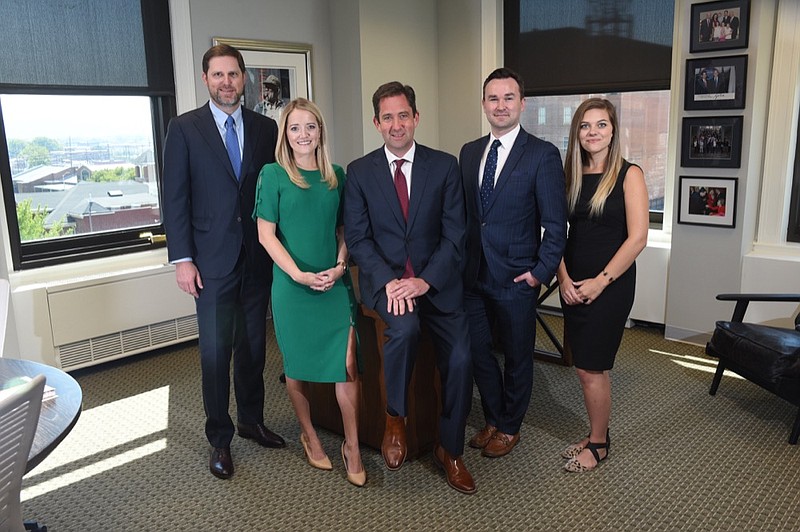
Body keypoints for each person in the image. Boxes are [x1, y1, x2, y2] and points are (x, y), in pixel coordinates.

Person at [343, 81, 475, 495]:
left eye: (404, 116)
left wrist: (423, 280)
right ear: (376, 123)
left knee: (460, 358)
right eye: (388, 118)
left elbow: (456, 235)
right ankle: (395, 418)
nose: (396, 125)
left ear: (416, 118)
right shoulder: (360, 172)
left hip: (435, 283)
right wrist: (390, 281)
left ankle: (450, 449)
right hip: (387, 283)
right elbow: (360, 239)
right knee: (404, 329)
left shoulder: (444, 166)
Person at [162, 44, 286, 480]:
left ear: (244, 78)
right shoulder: (184, 129)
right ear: (206, 79)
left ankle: (252, 420)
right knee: (215, 354)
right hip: (209, 262)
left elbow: (274, 190)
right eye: (218, 75)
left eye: (233, 74)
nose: (227, 82)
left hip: (256, 258)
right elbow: (174, 199)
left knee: (253, 347)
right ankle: (220, 438)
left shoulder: (266, 128)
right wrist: (182, 260)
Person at [253, 98, 365, 487]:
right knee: (297, 366)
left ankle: (352, 445)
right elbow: (266, 235)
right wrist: (300, 276)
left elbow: (344, 229)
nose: (303, 135)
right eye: (295, 127)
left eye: (311, 127)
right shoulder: (273, 175)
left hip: (334, 285)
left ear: (321, 132)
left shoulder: (336, 175)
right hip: (291, 287)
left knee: (347, 364)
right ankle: (310, 434)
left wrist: (339, 264)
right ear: (286, 134)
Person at [459, 67, 567, 458]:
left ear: (522, 103)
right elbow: (468, 217)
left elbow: (556, 225)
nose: (500, 105)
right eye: (493, 98)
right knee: (477, 351)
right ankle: (492, 416)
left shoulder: (542, 155)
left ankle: (510, 425)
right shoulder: (470, 152)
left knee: (519, 355)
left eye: (508, 98)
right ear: (484, 104)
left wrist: (540, 272)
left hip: (517, 277)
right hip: (472, 275)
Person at [557, 98, 648, 473]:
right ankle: (599, 432)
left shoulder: (630, 175)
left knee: (590, 367)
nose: (592, 132)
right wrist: (562, 277)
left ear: (613, 131)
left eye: (601, 125)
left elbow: (638, 238)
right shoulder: (570, 175)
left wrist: (600, 282)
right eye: (585, 126)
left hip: (610, 285)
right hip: (572, 283)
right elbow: (554, 231)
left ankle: (598, 444)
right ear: (576, 132)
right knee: (587, 365)